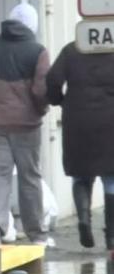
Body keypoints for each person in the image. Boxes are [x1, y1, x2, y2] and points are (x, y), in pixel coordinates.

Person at [0, 3, 51, 246]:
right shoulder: (38, 51)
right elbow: (41, 90)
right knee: (29, 176)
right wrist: (40, 110)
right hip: (27, 125)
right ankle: (36, 233)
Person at [46, 43, 114, 253]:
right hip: (110, 119)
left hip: (78, 118)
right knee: (111, 177)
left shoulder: (71, 50)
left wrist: (60, 101)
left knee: (81, 174)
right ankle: (112, 237)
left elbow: (52, 80)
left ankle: (84, 218)